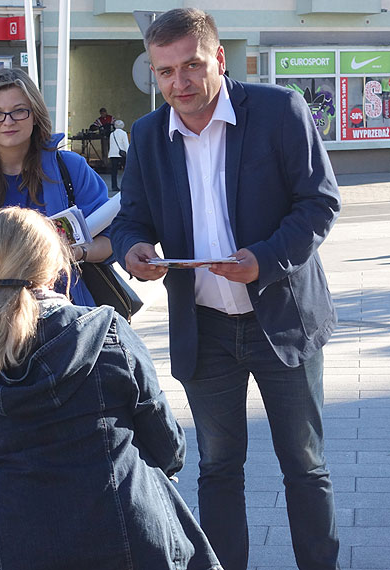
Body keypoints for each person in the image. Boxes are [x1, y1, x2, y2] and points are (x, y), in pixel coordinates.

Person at [111, 8, 341, 570]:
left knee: (304, 466)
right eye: (164, 72)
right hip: (205, 328)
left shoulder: (278, 111)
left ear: (218, 57)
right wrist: (132, 250)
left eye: (190, 66)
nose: (179, 83)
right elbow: (132, 218)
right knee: (217, 469)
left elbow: (319, 202)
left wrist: (263, 259)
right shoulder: (147, 134)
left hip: (281, 320)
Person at [0, 206, 222, 570]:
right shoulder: (107, 329)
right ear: (57, 264)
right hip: (125, 530)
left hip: (11, 536)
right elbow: (167, 445)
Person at [0, 68, 112, 328]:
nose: (8, 121)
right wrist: (4, 282)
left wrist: (76, 254)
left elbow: (113, 239)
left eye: (19, 110)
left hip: (73, 325)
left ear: (35, 115)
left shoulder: (72, 169)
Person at [108, 119, 129, 192]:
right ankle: (126, 185)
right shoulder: (123, 133)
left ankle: (114, 186)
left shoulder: (112, 134)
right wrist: (128, 153)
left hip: (113, 154)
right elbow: (126, 144)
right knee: (126, 171)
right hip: (122, 155)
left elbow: (111, 144)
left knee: (114, 172)